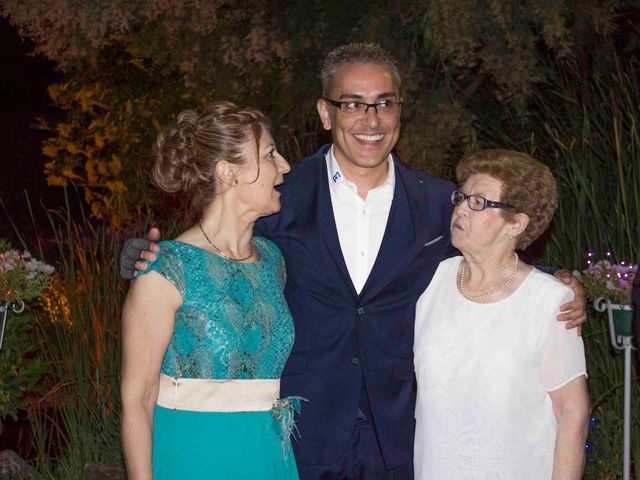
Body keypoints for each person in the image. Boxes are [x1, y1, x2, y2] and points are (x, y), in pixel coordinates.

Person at [121, 43, 588, 479]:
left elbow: (489, 256)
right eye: (354, 103)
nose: (372, 118)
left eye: (386, 103)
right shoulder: (280, 198)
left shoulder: (438, 203)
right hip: (297, 437)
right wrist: (139, 255)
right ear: (326, 113)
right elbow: (215, 252)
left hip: (401, 440)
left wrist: (556, 283)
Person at [119, 101, 301, 479]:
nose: (284, 166)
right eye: (269, 154)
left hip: (269, 455)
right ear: (228, 172)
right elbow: (137, 398)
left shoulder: (272, 259)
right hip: (195, 455)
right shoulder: (165, 269)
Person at [414, 149, 590, 479]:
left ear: (516, 223)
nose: (460, 209)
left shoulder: (549, 301)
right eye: (461, 197)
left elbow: (572, 411)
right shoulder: (433, 282)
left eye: (478, 202)